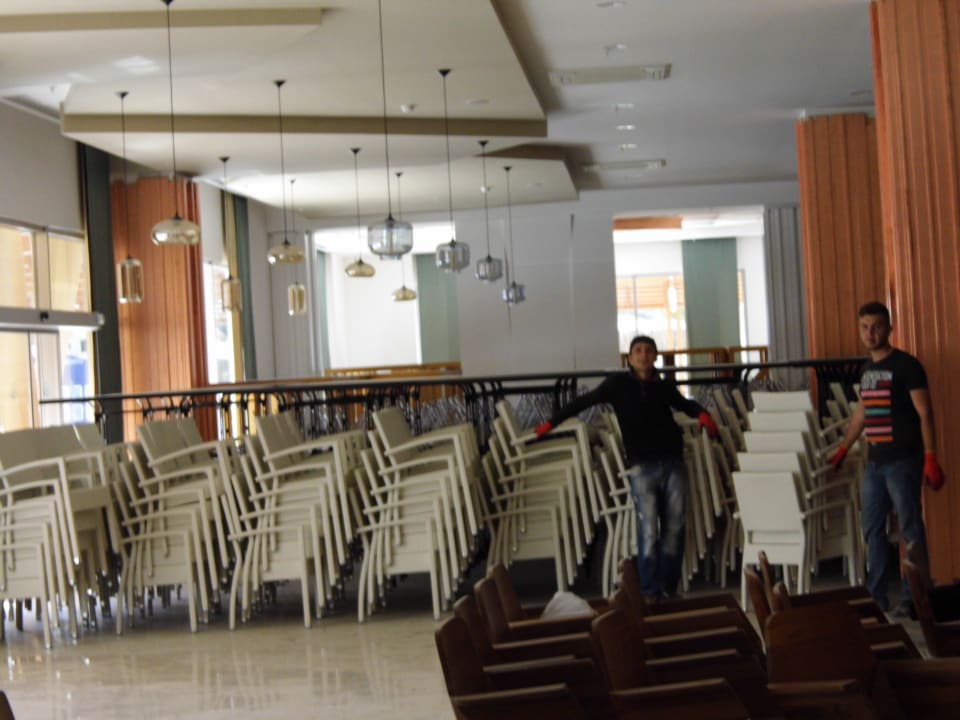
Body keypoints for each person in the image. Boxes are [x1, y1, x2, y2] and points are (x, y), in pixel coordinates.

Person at [534, 335, 717, 600]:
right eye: (638, 351)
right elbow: (583, 402)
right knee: (649, 529)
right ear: (629, 358)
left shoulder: (663, 386)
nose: (643, 355)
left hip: (672, 462)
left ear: (655, 357)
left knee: (675, 527)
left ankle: (668, 588)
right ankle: (649, 590)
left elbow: (685, 404)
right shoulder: (617, 384)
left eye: (648, 351)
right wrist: (551, 423)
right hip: (642, 467)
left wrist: (702, 413)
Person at [830, 301, 944, 618]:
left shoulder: (907, 366)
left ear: (889, 328)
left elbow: (925, 413)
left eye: (877, 327)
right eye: (865, 327)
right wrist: (843, 448)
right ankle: (876, 598)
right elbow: (862, 412)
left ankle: (915, 599)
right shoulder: (867, 370)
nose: (871, 333)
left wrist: (930, 457)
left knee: (910, 529)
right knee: (872, 529)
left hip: (903, 461)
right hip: (875, 463)